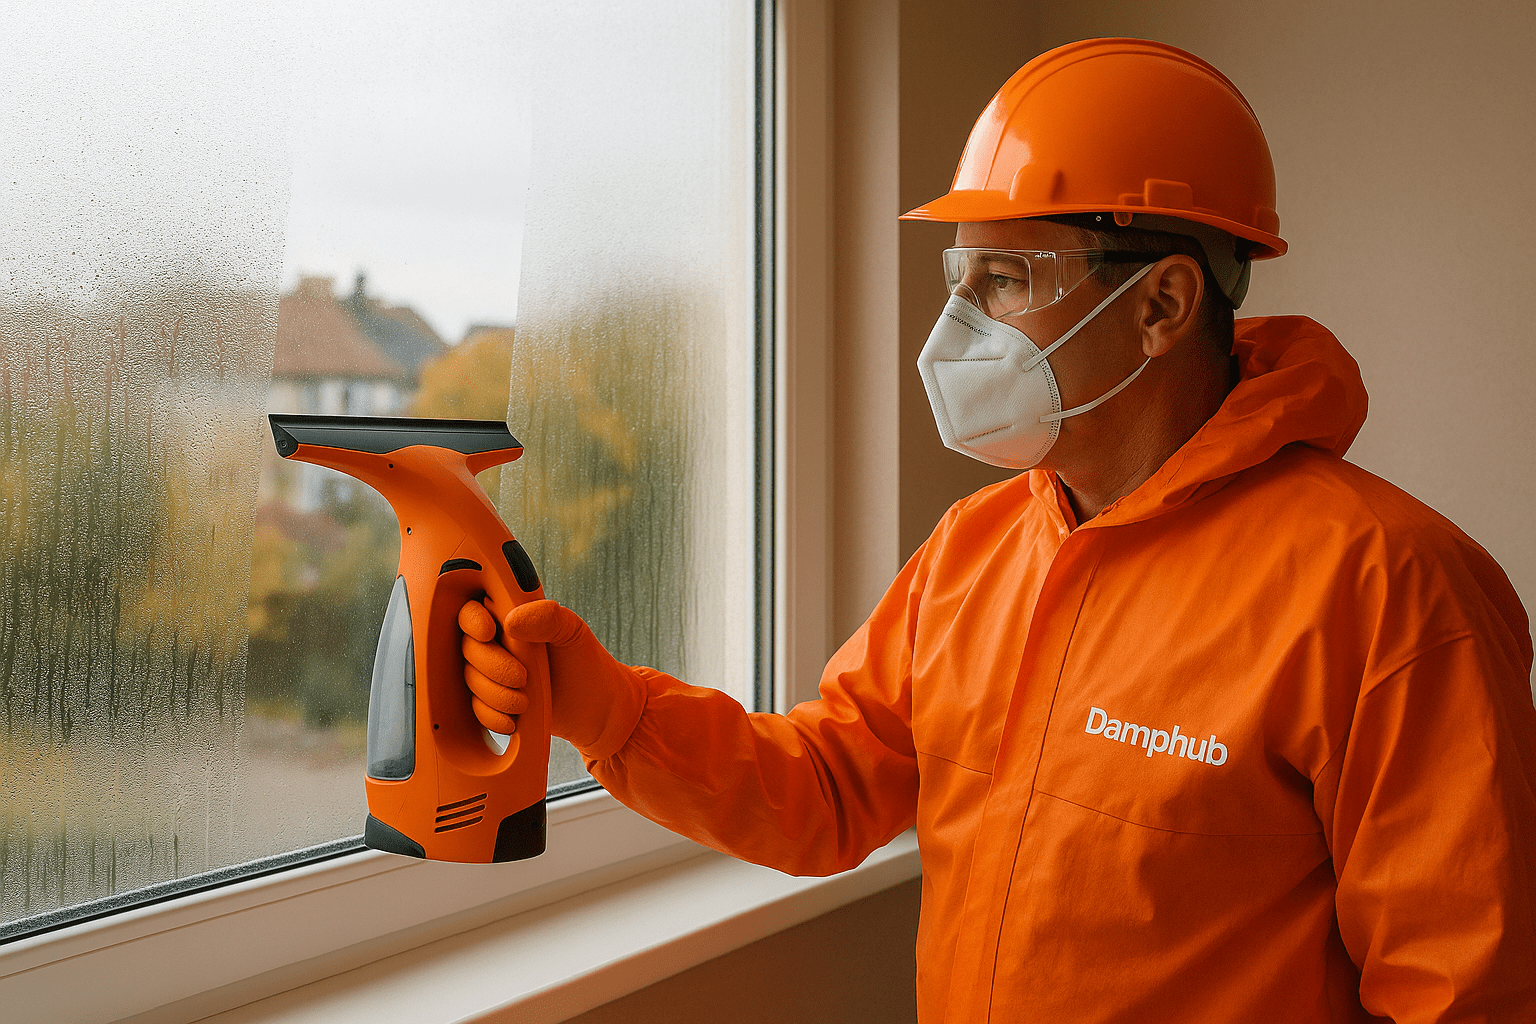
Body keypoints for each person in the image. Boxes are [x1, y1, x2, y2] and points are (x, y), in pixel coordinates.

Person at [458, 37, 1536, 1023]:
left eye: (1006, 279)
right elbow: (826, 792)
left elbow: (1464, 993)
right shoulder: (977, 548)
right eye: (957, 276)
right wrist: (612, 711)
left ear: (1161, 306)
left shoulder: (1389, 589)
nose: (954, 327)